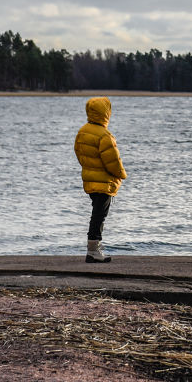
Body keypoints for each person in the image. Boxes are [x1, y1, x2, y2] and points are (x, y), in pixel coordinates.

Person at [74, 96, 127, 263]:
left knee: (96, 214)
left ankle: (93, 250)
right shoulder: (105, 135)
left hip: (90, 179)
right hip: (104, 182)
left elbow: (79, 153)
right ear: (105, 113)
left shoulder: (83, 131)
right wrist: (122, 174)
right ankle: (93, 251)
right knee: (99, 216)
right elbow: (113, 162)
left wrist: (90, 167)